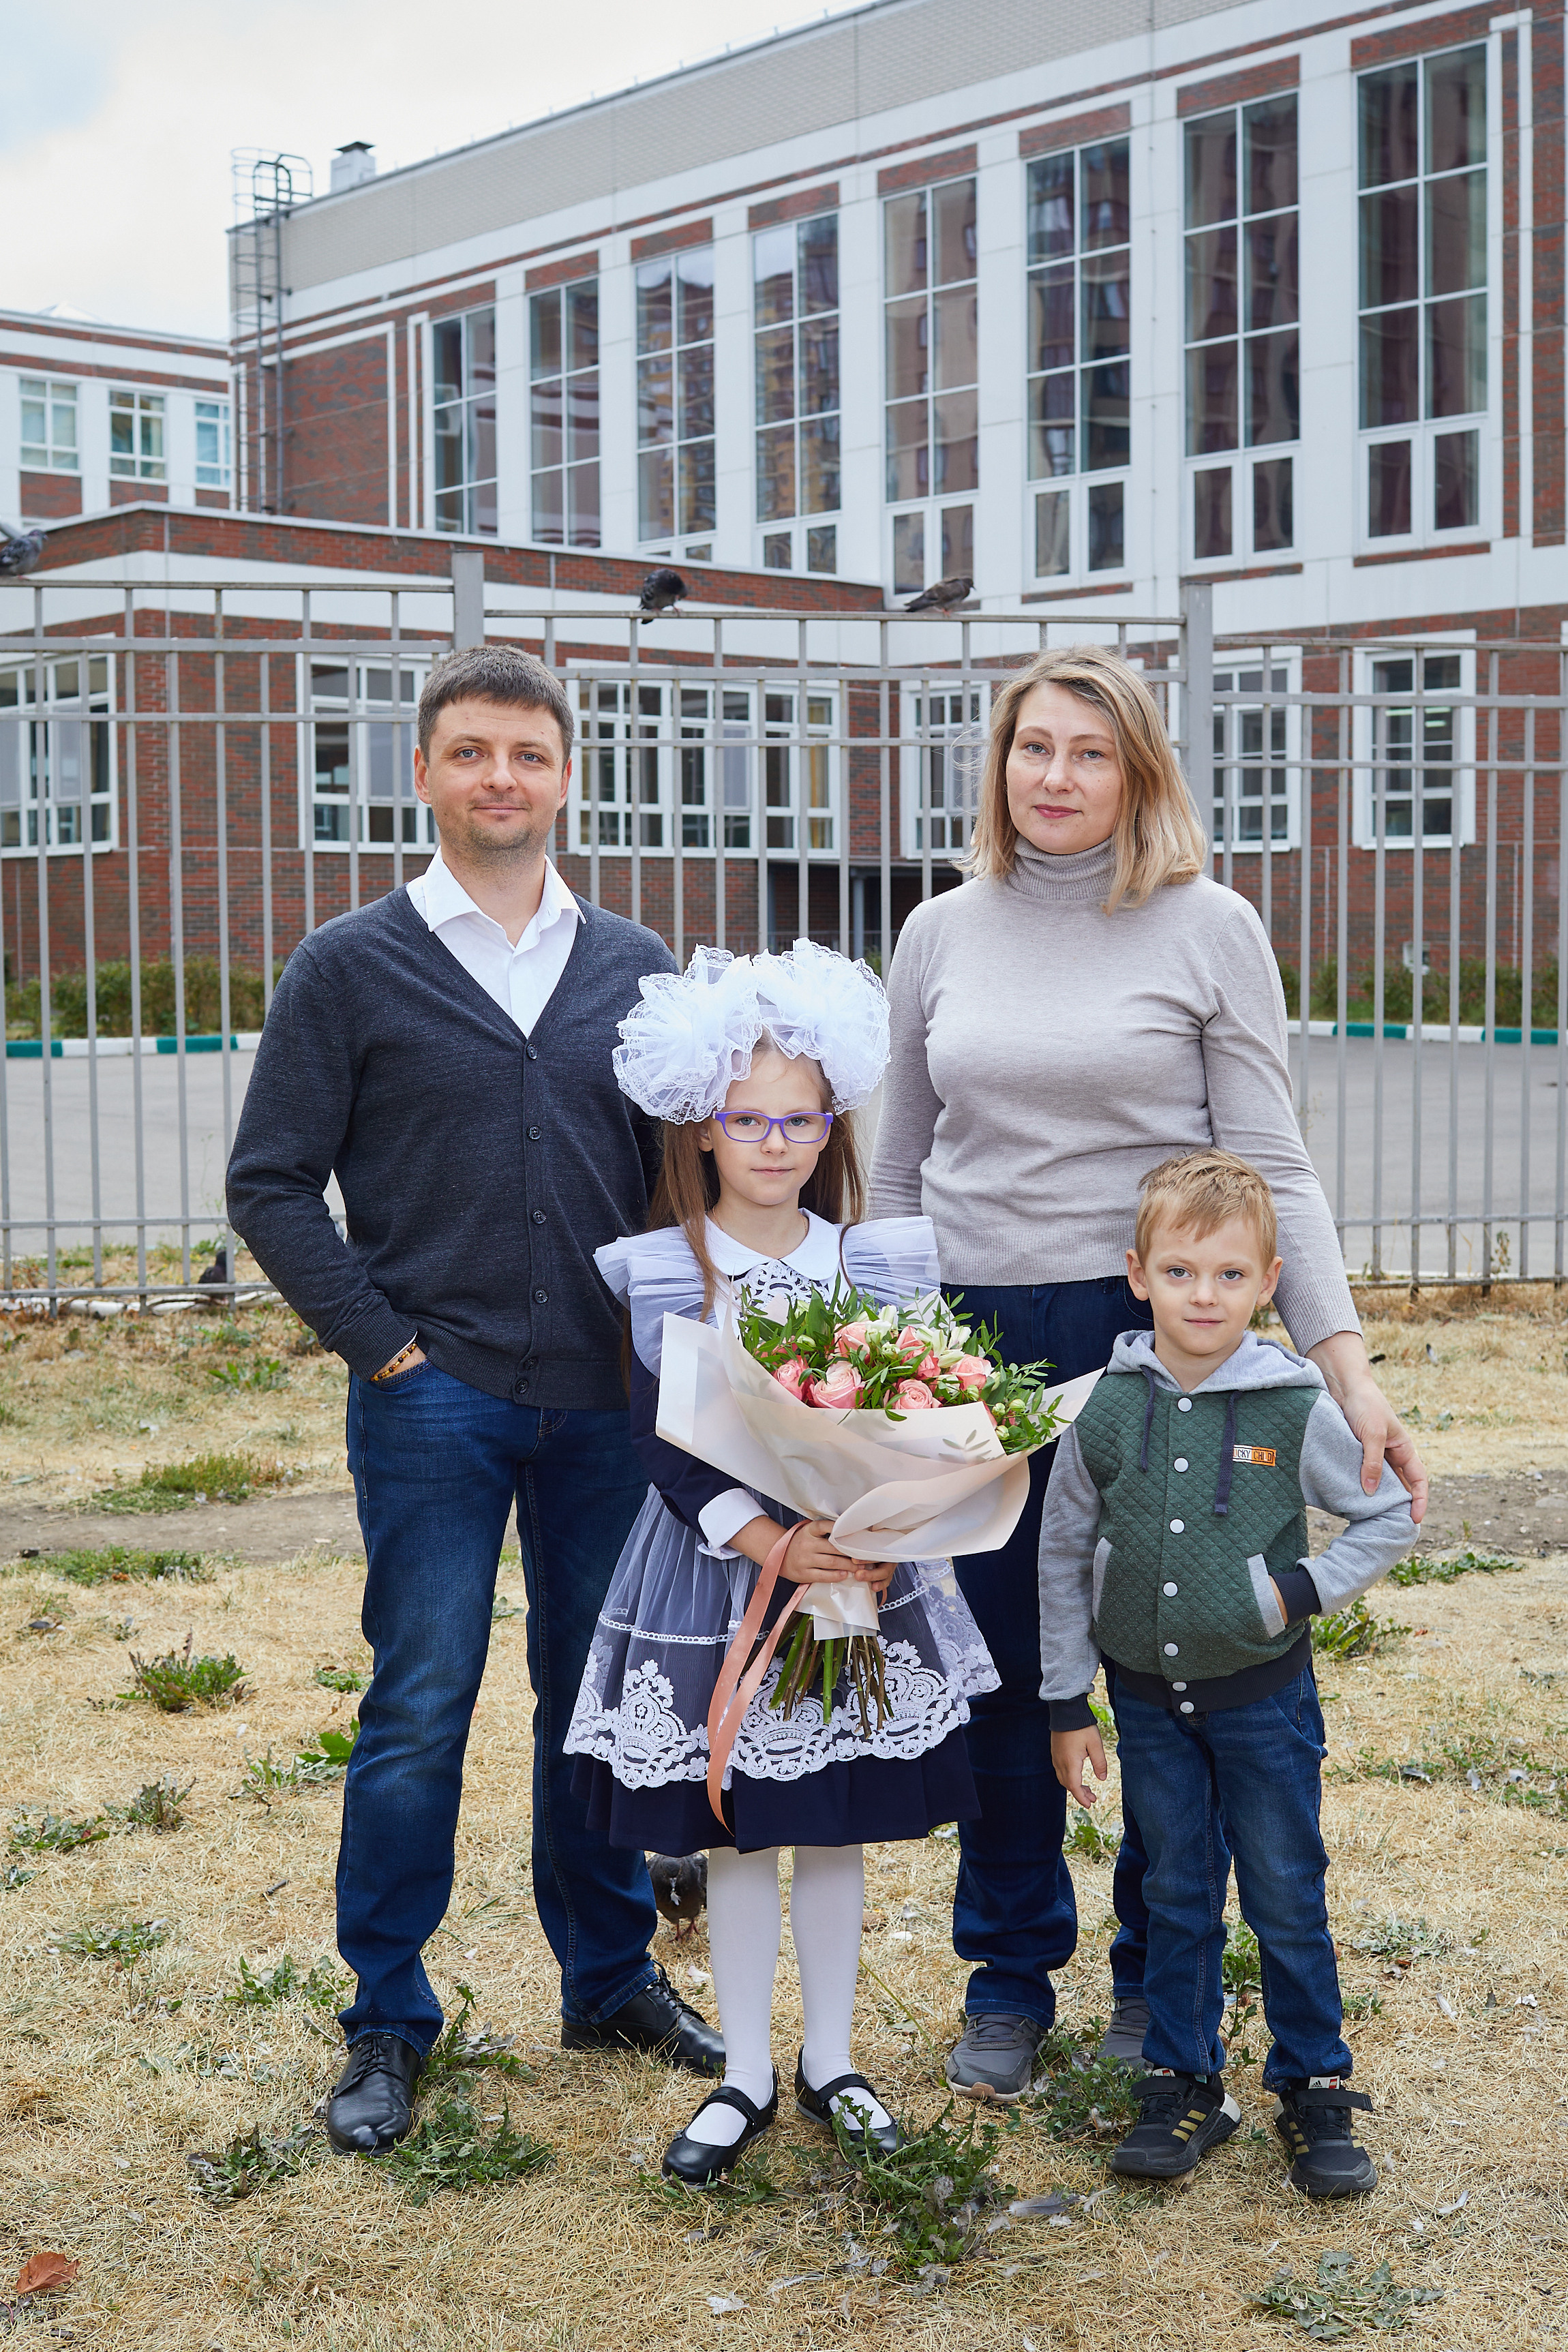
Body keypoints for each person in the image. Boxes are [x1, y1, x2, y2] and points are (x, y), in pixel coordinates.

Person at [868, 644, 1428, 2100]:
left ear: (1139, 773)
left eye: (1090, 753)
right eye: (1032, 748)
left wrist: (1341, 1364)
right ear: (997, 766)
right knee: (998, 1660)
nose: (1055, 777)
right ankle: (1005, 1970)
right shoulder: (936, 932)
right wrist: (878, 1377)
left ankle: (1150, 1969)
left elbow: (1273, 1167)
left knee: (1155, 1656)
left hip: (1162, 1347)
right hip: (972, 1350)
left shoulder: (1208, 926)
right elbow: (897, 1171)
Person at [226, 644, 723, 2159]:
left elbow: (694, 1171)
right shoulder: (351, 965)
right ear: (427, 774)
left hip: (602, 1407)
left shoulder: (637, 968)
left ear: (566, 776)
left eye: (527, 753)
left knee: (602, 1702)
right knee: (419, 1705)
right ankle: (387, 2014)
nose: (500, 778)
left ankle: (609, 1975)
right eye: (470, 753)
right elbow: (270, 1182)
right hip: (431, 1400)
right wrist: (384, 1346)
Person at [564, 941, 999, 2186]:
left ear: (830, 1123)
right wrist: (774, 1542)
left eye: (798, 1117)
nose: (773, 1140)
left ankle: (832, 2058)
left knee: (835, 1828)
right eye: (746, 1117)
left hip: (862, 1577)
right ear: (702, 1124)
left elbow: (914, 1413)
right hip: (723, 1579)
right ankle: (744, 2068)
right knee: (738, 1827)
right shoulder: (667, 1270)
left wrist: (862, 1526)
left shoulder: (874, 1258)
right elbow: (671, 1443)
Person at [1042, 1151, 1415, 2194]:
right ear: (1136, 1272)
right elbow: (1063, 1552)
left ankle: (1316, 2083)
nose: (1203, 1296)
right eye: (1179, 1272)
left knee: (1287, 1890)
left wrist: (1291, 1593)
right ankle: (1183, 2077)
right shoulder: (1103, 1407)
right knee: (1175, 1888)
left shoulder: (1295, 1405)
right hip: (1146, 1705)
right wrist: (1067, 1700)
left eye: (1229, 1276)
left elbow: (1387, 1516)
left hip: (1263, 1701)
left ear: (1267, 1281)